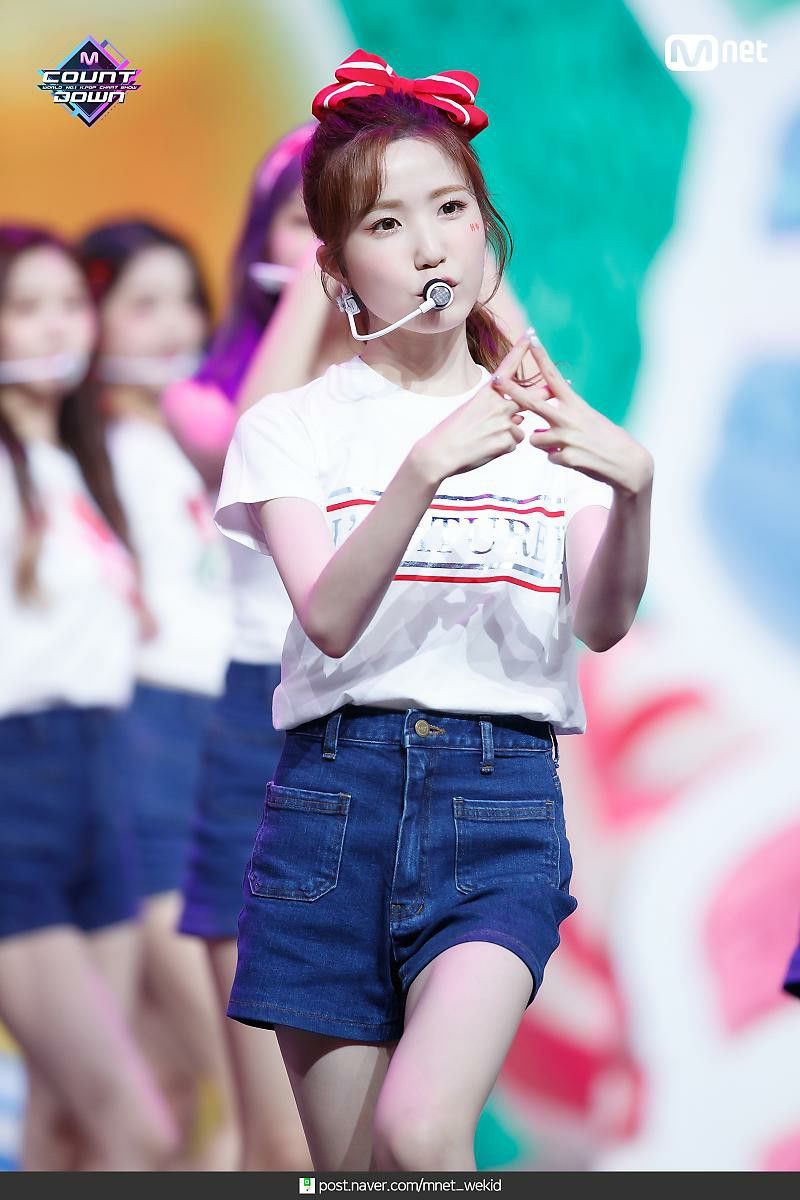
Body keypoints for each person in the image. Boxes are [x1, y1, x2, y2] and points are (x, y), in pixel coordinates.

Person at [214, 50, 655, 1171]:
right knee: (354, 1173)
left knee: (422, 1133)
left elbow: (602, 621)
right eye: (386, 223)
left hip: (495, 801)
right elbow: (327, 617)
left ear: (485, 233)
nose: (427, 246)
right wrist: (423, 468)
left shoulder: (544, 427)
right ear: (333, 270)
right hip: (332, 804)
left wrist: (632, 490)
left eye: (451, 209)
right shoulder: (291, 427)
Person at [0, 225, 178, 1170]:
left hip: (103, 786)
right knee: (134, 1127)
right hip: (17, 793)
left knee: (64, 1127)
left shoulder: (81, 465)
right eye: (25, 306)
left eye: (70, 303)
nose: (56, 326)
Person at [76, 220, 238, 1168]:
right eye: (143, 304)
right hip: (144, 760)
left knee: (168, 1097)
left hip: (221, 749)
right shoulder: (80, 456)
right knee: (238, 1072)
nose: (176, 324)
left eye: (186, 299)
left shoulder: (208, 443)